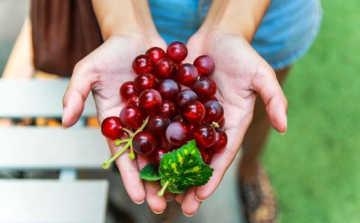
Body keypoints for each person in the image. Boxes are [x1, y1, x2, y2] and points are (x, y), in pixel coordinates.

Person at [6, 0, 322, 222]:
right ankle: (173, 185)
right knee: (240, 104)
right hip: (150, 7)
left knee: (256, 104)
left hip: (267, 9)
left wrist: (232, 24)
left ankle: (249, 169)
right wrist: (126, 24)